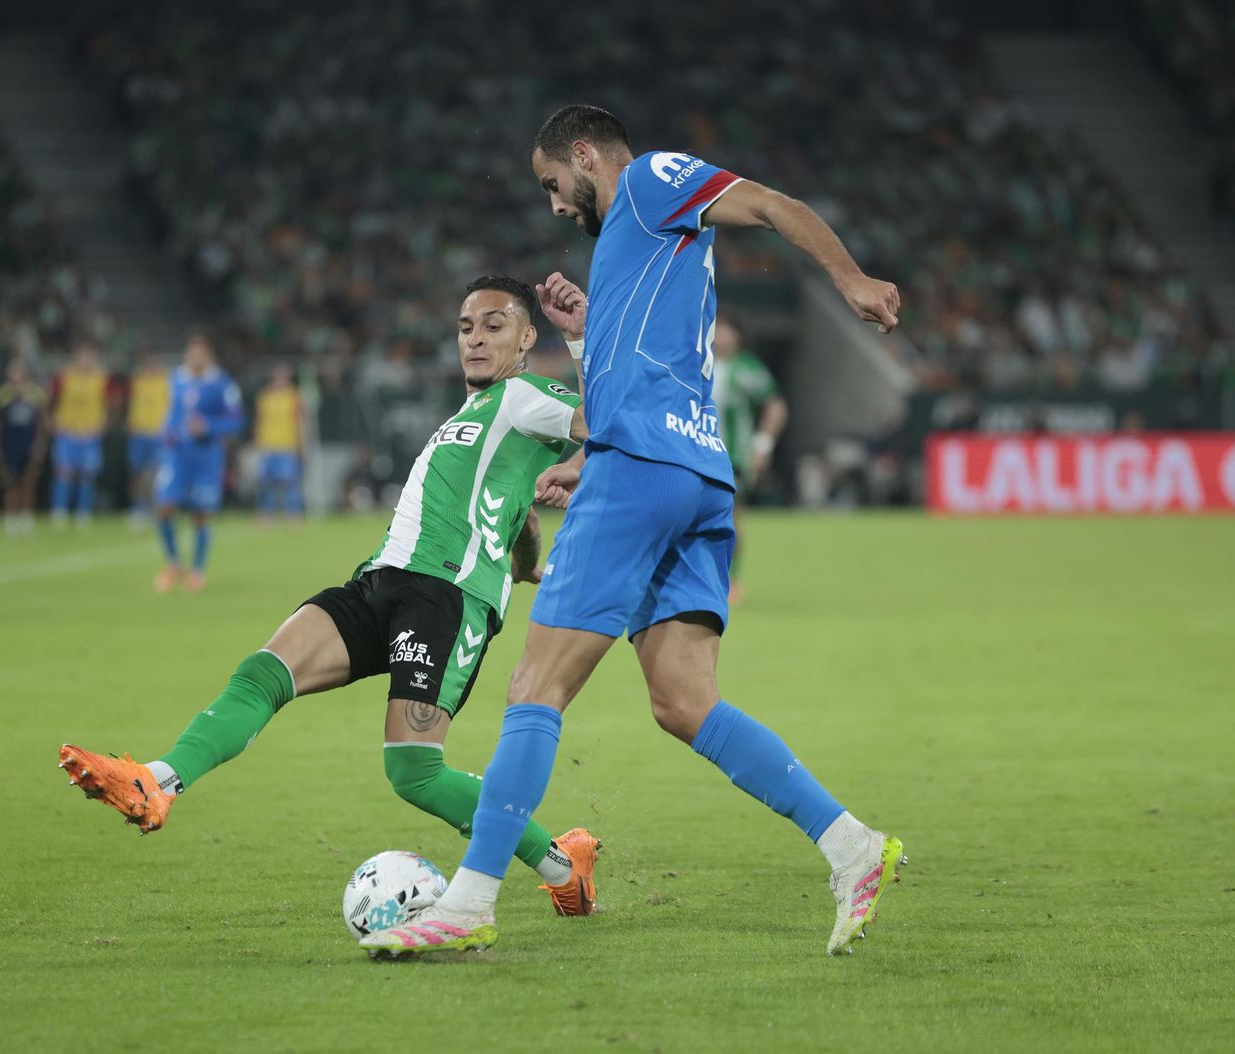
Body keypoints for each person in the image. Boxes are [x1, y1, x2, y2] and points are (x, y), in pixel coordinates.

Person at [363, 105, 905, 959]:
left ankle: (467, 903)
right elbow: (643, 375)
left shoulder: (650, 180)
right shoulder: (633, 253)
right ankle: (851, 846)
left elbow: (769, 206)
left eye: (553, 183)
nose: (552, 206)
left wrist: (851, 279)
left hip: (646, 475)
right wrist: (585, 345)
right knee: (684, 703)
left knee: (534, 688)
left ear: (586, 155)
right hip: (695, 480)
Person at [60, 275, 601, 915]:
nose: (476, 338)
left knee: (413, 771)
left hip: (443, 599)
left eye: (494, 324)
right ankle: (156, 780)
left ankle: (564, 865)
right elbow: (524, 520)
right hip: (379, 580)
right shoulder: (475, 419)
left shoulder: (522, 396)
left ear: (525, 336)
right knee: (265, 672)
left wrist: (583, 341)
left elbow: (604, 420)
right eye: (465, 326)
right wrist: (525, 569)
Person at [149, 333, 242, 593]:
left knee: (200, 514)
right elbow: (173, 412)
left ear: (209, 355)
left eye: (200, 353)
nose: (195, 358)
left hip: (206, 458)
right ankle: (173, 564)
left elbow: (236, 421)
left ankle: (197, 570)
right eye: (192, 353)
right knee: (164, 507)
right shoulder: (177, 379)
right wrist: (166, 431)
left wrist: (209, 427)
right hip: (177, 457)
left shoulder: (222, 384)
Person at [712, 317, 788, 602]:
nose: (721, 336)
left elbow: (776, 405)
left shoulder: (747, 368)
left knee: (728, 515)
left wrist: (763, 444)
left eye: (727, 330)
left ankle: (731, 580)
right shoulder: (694, 362)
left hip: (732, 457)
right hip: (693, 452)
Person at [49, 344, 109, 529]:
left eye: (89, 357)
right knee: (64, 472)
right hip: (68, 433)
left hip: (90, 434)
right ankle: (60, 511)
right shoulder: (64, 377)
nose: (85, 362)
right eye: (82, 357)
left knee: (87, 474)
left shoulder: (101, 379)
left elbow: (108, 405)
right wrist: (56, 422)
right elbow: (51, 402)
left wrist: (100, 426)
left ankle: (84, 511)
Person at [0, 359, 47, 536]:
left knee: (28, 483)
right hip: (9, 445)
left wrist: (40, 445)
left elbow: (42, 423)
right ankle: (10, 519)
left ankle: (26, 518)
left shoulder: (36, 395)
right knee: (9, 483)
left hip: (28, 445)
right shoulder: (2, 396)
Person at [253, 363, 305, 521]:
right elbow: (259, 420)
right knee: (266, 482)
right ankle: (266, 513)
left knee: (290, 481)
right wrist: (258, 441)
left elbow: (299, 421)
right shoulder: (264, 396)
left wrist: (300, 444)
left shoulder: (294, 396)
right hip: (268, 445)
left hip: (287, 444)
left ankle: (293, 513)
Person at [125, 351, 170, 530]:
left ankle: (157, 508)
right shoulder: (137, 382)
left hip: (158, 434)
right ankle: (138, 508)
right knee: (137, 473)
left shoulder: (167, 382)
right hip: (139, 433)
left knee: (158, 475)